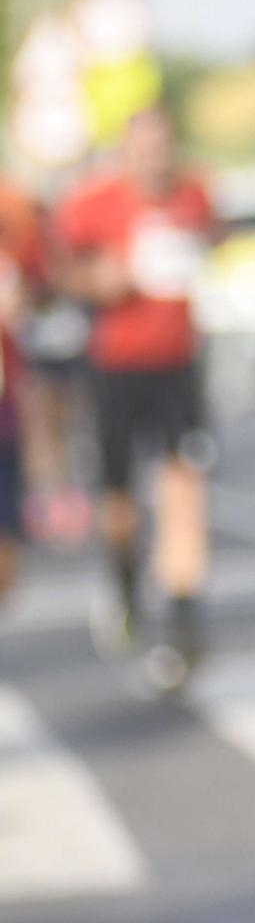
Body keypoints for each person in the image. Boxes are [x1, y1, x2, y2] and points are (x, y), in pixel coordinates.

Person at [54, 105, 218, 690]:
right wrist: (98, 282)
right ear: (125, 152)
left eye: (161, 146)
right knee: (120, 500)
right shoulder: (94, 202)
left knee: (183, 483)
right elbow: (61, 272)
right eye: (141, 147)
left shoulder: (195, 194)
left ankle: (182, 614)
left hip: (179, 365)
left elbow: (213, 240)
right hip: (115, 368)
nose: (153, 158)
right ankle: (125, 582)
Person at [0, 177, 50, 605]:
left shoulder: (14, 207)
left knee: (7, 558)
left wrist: (26, 299)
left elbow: (43, 288)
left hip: (5, 404)